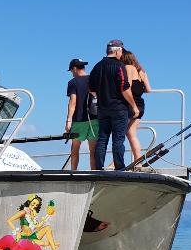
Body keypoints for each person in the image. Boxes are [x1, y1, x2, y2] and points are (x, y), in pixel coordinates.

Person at [88, 39, 139, 170]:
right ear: (117, 50)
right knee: (118, 140)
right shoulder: (119, 66)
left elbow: (91, 88)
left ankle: (99, 168)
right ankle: (119, 168)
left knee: (102, 139)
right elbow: (124, 87)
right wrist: (133, 105)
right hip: (118, 108)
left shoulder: (97, 66)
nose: (122, 53)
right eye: (121, 50)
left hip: (102, 109)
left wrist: (102, 96)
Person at [64, 59, 98, 170]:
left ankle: (73, 173)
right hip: (94, 119)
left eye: (71, 71)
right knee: (93, 152)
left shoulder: (73, 82)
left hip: (79, 120)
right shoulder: (94, 79)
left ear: (74, 68)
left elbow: (73, 102)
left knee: (75, 150)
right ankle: (94, 175)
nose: (72, 73)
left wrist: (68, 120)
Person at [121, 49, 151, 165]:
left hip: (130, 104)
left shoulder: (128, 68)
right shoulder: (141, 71)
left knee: (120, 135)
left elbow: (126, 86)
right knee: (131, 133)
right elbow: (148, 90)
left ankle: (115, 163)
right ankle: (138, 161)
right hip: (141, 105)